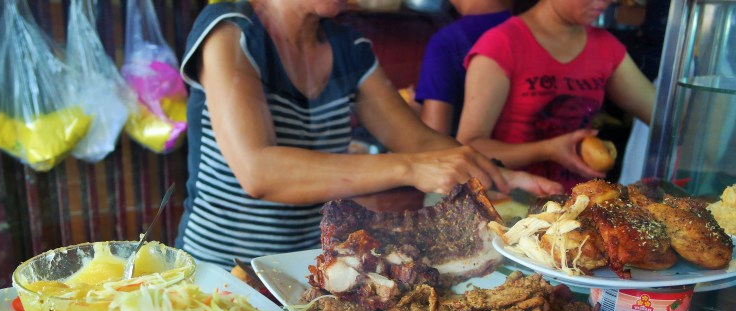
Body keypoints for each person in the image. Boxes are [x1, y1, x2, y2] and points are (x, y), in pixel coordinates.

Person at [175, 0, 562, 270]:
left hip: (304, 268)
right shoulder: (230, 31)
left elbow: (422, 142)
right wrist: (409, 168)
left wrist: (500, 176)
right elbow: (258, 172)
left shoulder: (351, 48)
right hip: (221, 269)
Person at [456, 0, 656, 191]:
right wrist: (549, 149)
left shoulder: (606, 47)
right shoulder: (502, 44)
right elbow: (470, 147)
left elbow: (665, 116)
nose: (606, 1)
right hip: (516, 205)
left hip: (580, 204)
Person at [415, 0, 512, 136]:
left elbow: (434, 136)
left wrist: (409, 111)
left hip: (468, 154)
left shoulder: (446, 42)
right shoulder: (527, 31)